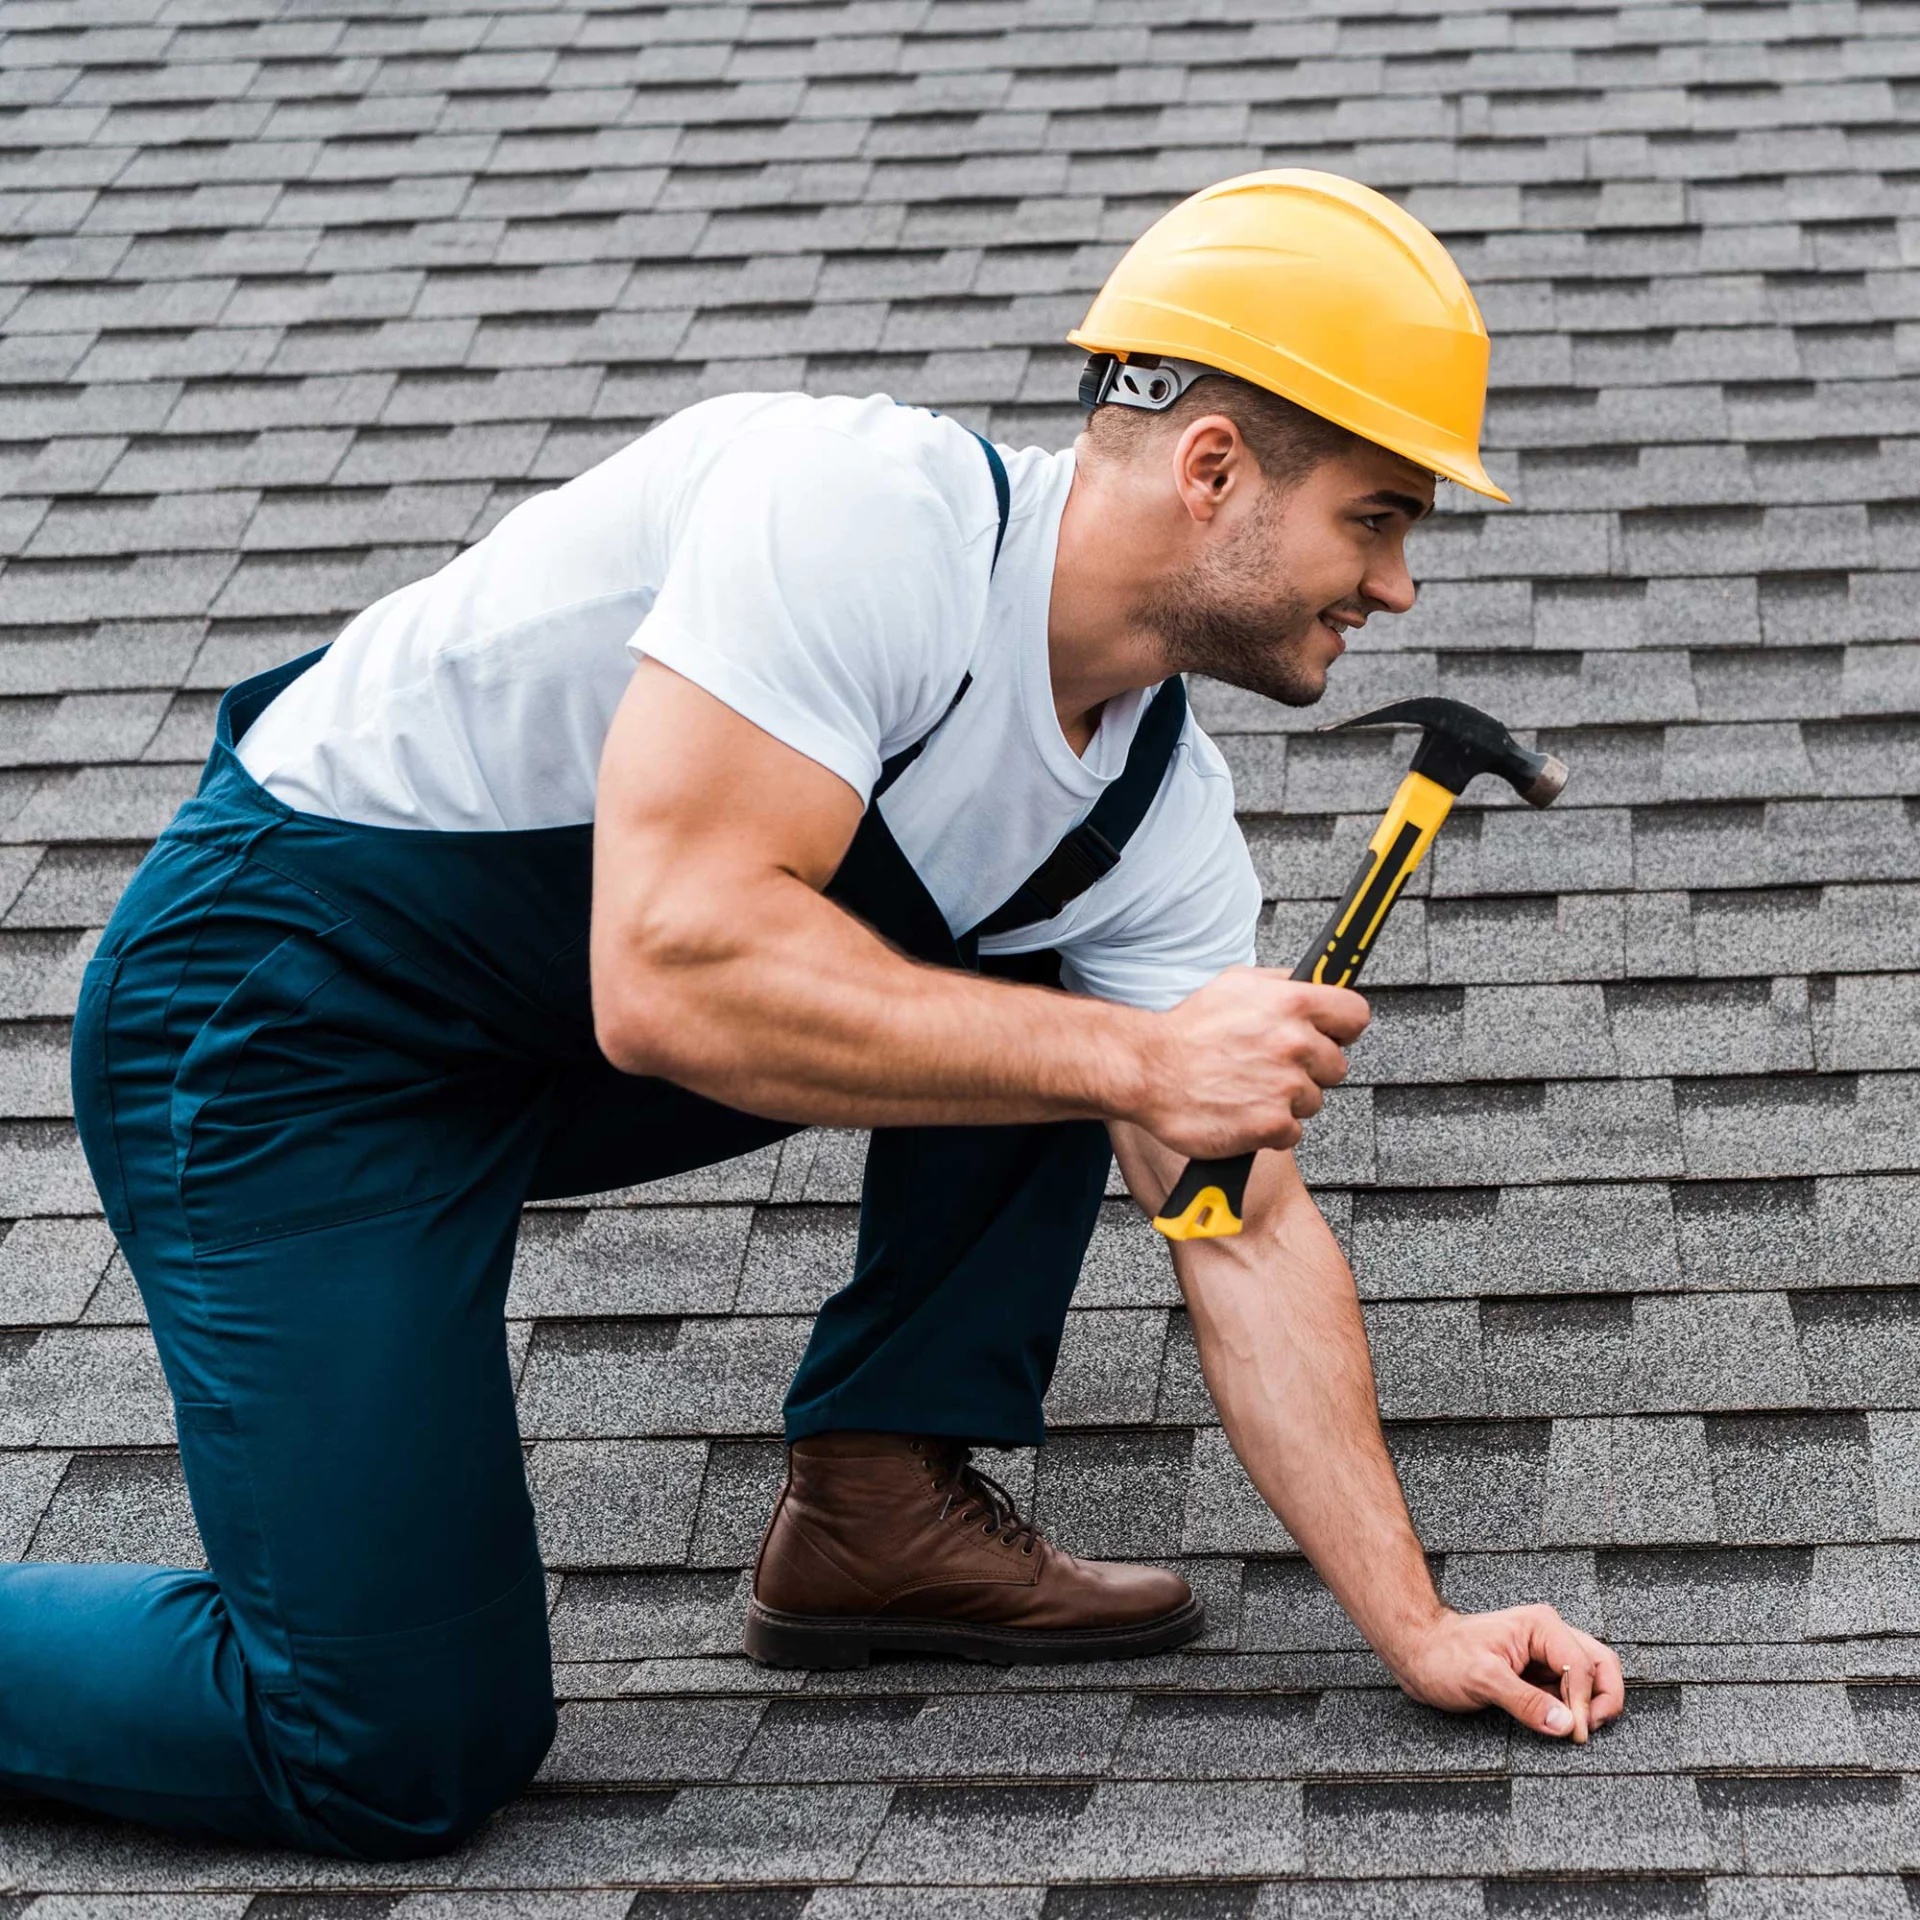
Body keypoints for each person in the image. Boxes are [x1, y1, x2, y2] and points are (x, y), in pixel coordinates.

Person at [5, 169, 1622, 1861]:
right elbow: (672, 966)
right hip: (279, 1027)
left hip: (543, 1047)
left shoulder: (1156, 818)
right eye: (1379, 515)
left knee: (1069, 982)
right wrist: (1144, 1058)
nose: (1401, 586)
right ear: (1215, 467)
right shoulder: (856, 514)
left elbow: (1240, 1223)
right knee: (393, 1746)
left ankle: (878, 1506)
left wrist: (1419, 1621)